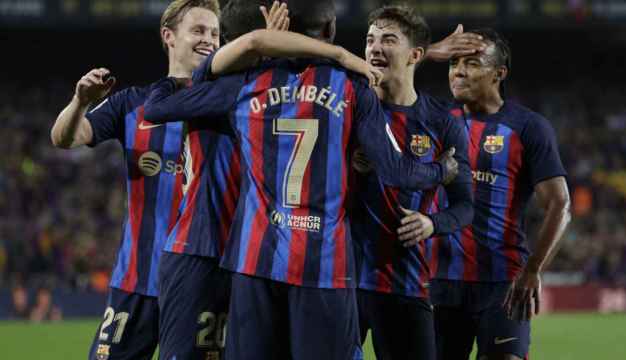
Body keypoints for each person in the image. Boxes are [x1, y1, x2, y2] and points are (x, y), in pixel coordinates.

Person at [142, 1, 459, 358]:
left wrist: (199, 70)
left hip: (255, 263)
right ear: (330, 31)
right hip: (323, 266)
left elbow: (157, 107)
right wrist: (441, 171)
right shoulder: (354, 86)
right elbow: (397, 173)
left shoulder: (245, 82)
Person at [50, 1, 221, 359]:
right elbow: (64, 138)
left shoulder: (229, 104)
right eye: (199, 30)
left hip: (203, 285)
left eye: (215, 33)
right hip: (136, 282)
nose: (209, 40)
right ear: (168, 36)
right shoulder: (132, 104)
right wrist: (81, 101)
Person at [428, 28, 572, 360]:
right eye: (453, 63)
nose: (459, 71)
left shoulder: (528, 127)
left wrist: (534, 269)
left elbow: (560, 205)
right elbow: (378, 82)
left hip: (503, 283)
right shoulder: (433, 121)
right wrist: (430, 51)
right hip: (439, 280)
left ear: (499, 73)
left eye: (472, 63)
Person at [351, 5, 478, 360]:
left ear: (416, 55)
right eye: (370, 40)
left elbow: (465, 205)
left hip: (405, 282)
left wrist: (431, 223)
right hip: (342, 280)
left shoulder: (442, 122)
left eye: (388, 40)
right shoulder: (349, 109)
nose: (375, 48)